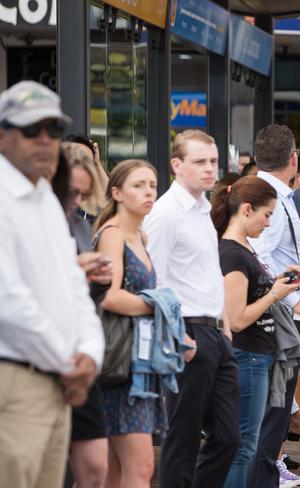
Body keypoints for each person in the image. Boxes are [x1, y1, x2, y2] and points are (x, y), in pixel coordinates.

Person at [0, 81, 104, 488]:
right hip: (18, 378)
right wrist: (72, 362)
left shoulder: (44, 196)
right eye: (32, 130)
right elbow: (9, 299)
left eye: (52, 129)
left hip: (58, 378)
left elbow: (72, 288)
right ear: (3, 135)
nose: (45, 140)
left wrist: (89, 357)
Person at [145, 130, 239, 488]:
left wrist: (225, 324)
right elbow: (153, 280)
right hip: (187, 331)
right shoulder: (166, 213)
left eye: (213, 161)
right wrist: (176, 334)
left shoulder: (202, 210)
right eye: (200, 162)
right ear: (176, 165)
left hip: (215, 332)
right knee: (181, 438)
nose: (209, 169)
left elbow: (209, 273)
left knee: (229, 436)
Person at [212, 176, 300, 487]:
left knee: (246, 444)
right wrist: (275, 294)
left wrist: (279, 282)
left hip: (256, 355)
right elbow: (236, 318)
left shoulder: (241, 250)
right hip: (248, 355)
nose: (268, 223)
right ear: (247, 210)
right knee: (243, 446)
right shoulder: (233, 253)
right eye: (267, 215)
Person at [247, 125, 300, 487]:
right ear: (294, 160)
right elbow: (259, 256)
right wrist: (296, 298)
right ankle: (264, 478)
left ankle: (266, 474)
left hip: (282, 313)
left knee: (276, 407)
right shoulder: (270, 198)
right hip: (281, 315)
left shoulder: (274, 194)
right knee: (274, 409)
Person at [93, 159, 168, 487]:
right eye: (138, 185)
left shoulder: (140, 235)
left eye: (152, 185)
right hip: (121, 363)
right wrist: (160, 308)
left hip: (138, 360)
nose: (149, 192)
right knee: (140, 468)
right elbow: (109, 296)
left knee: (113, 471)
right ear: (117, 192)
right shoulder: (113, 234)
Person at [58, 143, 112, 488]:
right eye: (70, 192)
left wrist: (94, 279)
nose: (76, 200)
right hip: (40, 356)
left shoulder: (79, 226)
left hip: (82, 352)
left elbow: (83, 301)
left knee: (95, 465)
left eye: (82, 193)